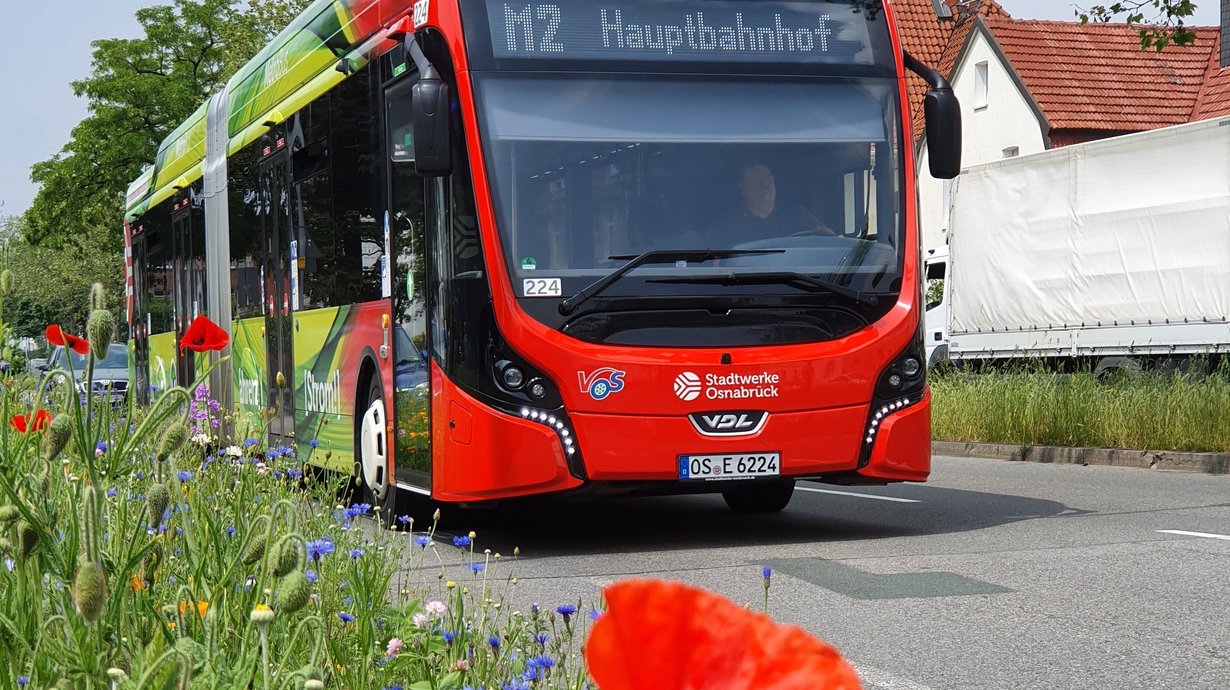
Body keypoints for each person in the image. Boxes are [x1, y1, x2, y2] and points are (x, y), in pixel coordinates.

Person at [713, 163, 834, 246]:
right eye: (759, 182)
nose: (766, 186)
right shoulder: (727, 225)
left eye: (769, 180)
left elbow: (827, 238)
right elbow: (717, 266)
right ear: (743, 189)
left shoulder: (796, 214)